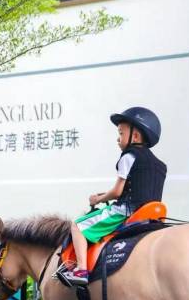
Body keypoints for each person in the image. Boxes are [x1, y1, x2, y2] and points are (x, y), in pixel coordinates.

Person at [63, 107, 167, 286]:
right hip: (152, 215)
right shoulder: (160, 165)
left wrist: (98, 199)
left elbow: (118, 192)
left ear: (135, 136)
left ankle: (81, 270)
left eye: (121, 133)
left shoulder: (129, 156)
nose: (118, 139)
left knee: (77, 226)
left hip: (126, 212)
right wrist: (106, 195)